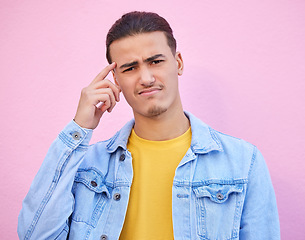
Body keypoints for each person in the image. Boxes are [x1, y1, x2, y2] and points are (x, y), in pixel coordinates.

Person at [18, 11, 280, 240]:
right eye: (130, 68)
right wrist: (79, 128)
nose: (145, 77)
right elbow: (35, 236)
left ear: (178, 62)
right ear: (116, 80)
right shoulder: (87, 165)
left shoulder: (243, 162)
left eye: (156, 61)